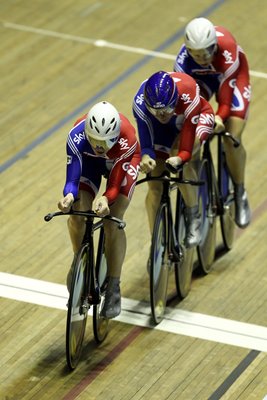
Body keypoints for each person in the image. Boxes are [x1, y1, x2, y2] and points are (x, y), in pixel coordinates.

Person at [58, 101, 141, 319]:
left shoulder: (127, 138)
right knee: (77, 214)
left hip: (122, 163)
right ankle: (80, 261)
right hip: (91, 164)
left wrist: (106, 198)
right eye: (94, 140)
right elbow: (72, 180)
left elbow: (113, 187)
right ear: (86, 133)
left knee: (113, 219)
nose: (99, 146)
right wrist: (68, 196)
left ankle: (114, 286)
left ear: (115, 135)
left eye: (105, 142)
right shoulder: (76, 136)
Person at [174, 17, 251, 228]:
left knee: (231, 137)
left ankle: (240, 192)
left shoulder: (227, 50)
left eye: (206, 53)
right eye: (196, 55)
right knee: (187, 128)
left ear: (214, 46)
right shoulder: (182, 61)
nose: (201, 58)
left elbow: (225, 101)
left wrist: (218, 118)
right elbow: (187, 101)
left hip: (232, 81)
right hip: (202, 83)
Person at [133, 70, 214, 247]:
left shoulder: (188, 92)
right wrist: (146, 157)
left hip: (194, 119)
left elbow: (184, 150)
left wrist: (179, 159)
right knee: (155, 185)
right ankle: (157, 244)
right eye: (156, 111)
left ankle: (194, 217)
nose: (162, 114)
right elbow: (146, 145)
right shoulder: (140, 104)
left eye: (167, 109)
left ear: (175, 99)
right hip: (163, 130)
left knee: (179, 163)